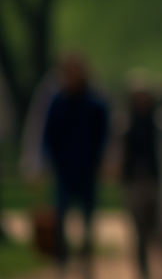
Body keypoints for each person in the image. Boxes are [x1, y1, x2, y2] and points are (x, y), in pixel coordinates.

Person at [42, 54, 110, 277]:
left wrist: (103, 162)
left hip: (87, 169)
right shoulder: (57, 102)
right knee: (60, 215)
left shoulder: (95, 103)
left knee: (88, 217)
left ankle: (86, 258)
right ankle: (62, 261)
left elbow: (104, 136)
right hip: (63, 169)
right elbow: (48, 135)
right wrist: (47, 161)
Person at [120, 83, 162, 279]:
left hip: (160, 183)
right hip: (135, 183)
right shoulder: (126, 124)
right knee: (139, 234)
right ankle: (143, 273)